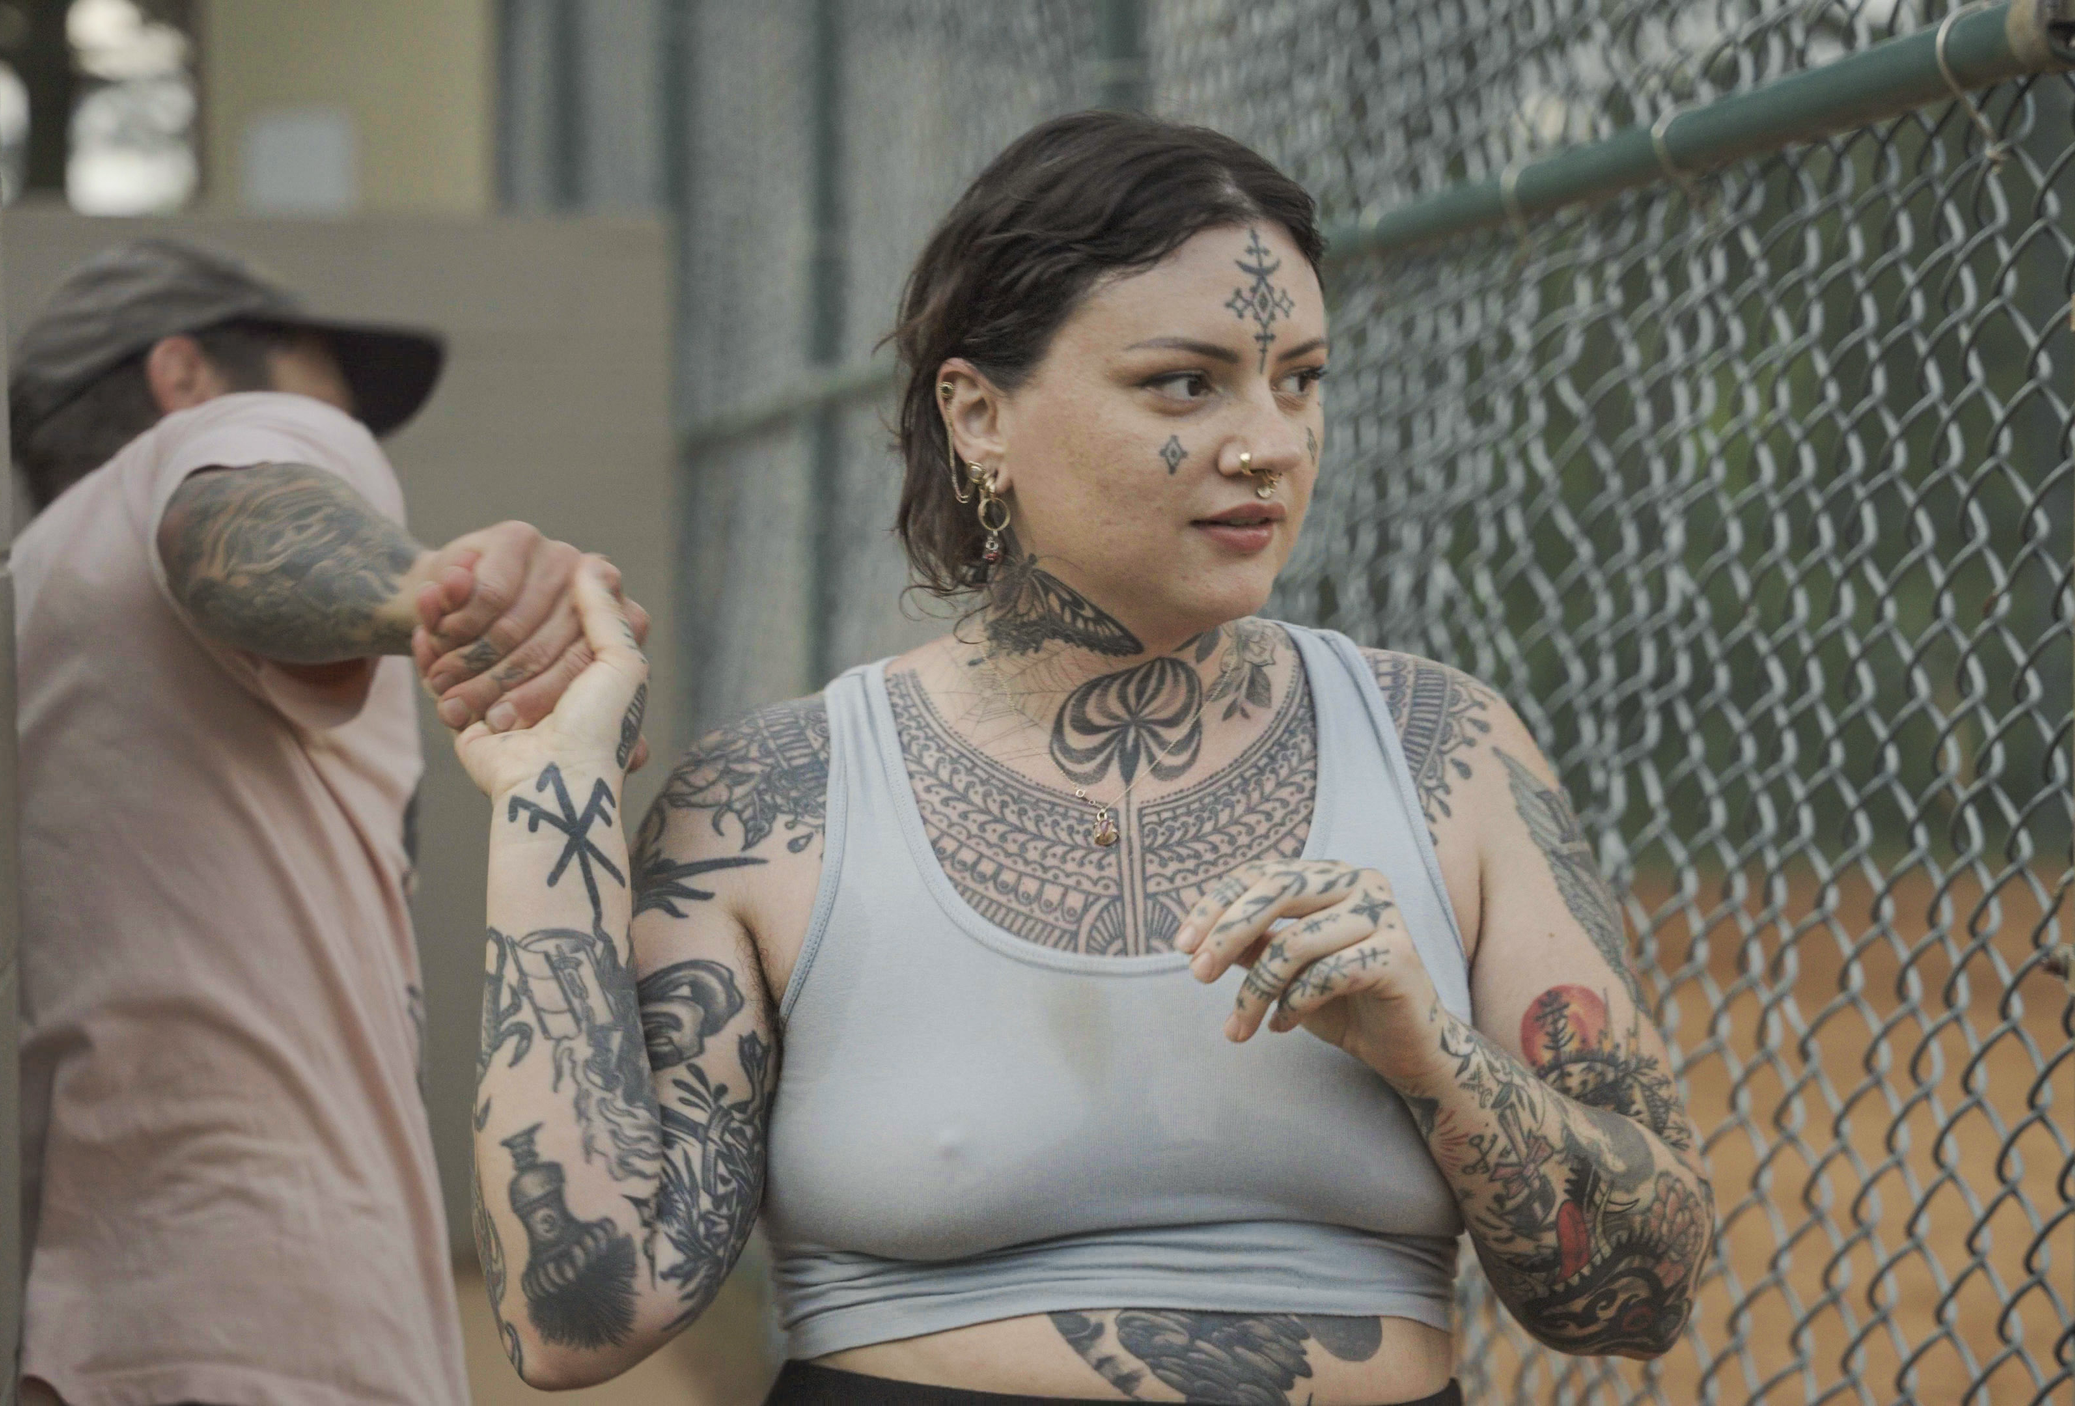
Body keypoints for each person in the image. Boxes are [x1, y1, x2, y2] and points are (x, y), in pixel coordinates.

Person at [457, 112, 1714, 1405]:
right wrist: (549, 790)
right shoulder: (779, 801)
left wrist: (1424, 1045)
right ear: (979, 412)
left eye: (1301, 378)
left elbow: (1643, 1289)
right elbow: (576, 1310)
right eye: (1187, 380)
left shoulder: (1445, 751)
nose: (1270, 442)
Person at [8, 238, 648, 1406]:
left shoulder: (24, 593)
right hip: (268, 1299)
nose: (348, 434)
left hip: (88, 1310)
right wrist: (438, 599)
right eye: (316, 397)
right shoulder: (207, 443)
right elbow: (239, 517)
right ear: (183, 376)